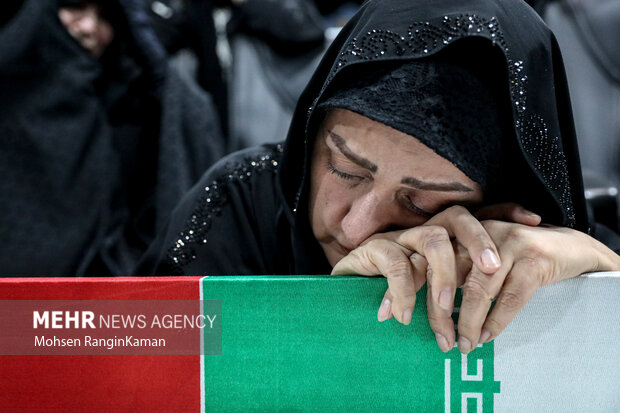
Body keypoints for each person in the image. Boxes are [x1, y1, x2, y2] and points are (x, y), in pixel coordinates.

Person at [136, 0, 620, 354]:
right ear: (312, 129)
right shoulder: (239, 205)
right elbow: (126, 362)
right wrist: (321, 318)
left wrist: (602, 284)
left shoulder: (545, 249)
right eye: (345, 168)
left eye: (421, 203)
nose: (355, 228)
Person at [0, 0, 224, 276]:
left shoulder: (127, 104)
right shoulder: (9, 98)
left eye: (105, 17)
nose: (88, 28)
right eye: (74, 7)